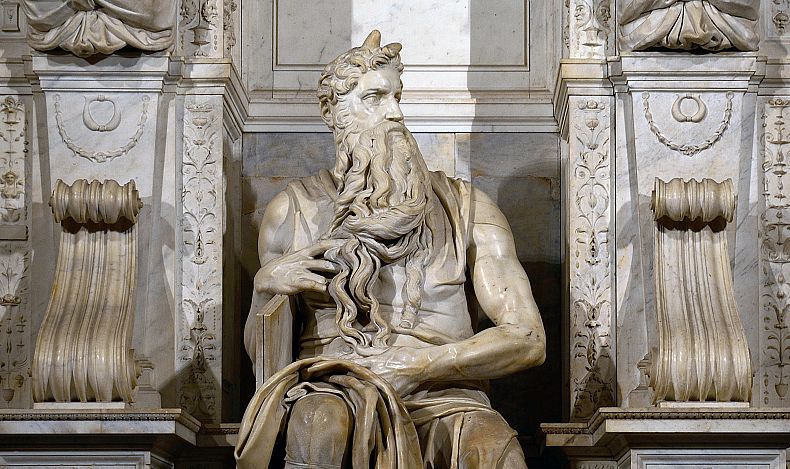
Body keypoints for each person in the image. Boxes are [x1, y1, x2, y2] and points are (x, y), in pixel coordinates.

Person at [236, 30, 546, 469]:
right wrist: (265, 288)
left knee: (494, 448)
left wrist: (419, 366)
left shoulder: (468, 207)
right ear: (331, 112)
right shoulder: (293, 210)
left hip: (446, 393)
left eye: (397, 97)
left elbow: (528, 338)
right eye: (375, 98)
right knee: (318, 424)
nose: (395, 113)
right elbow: (264, 363)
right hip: (336, 385)